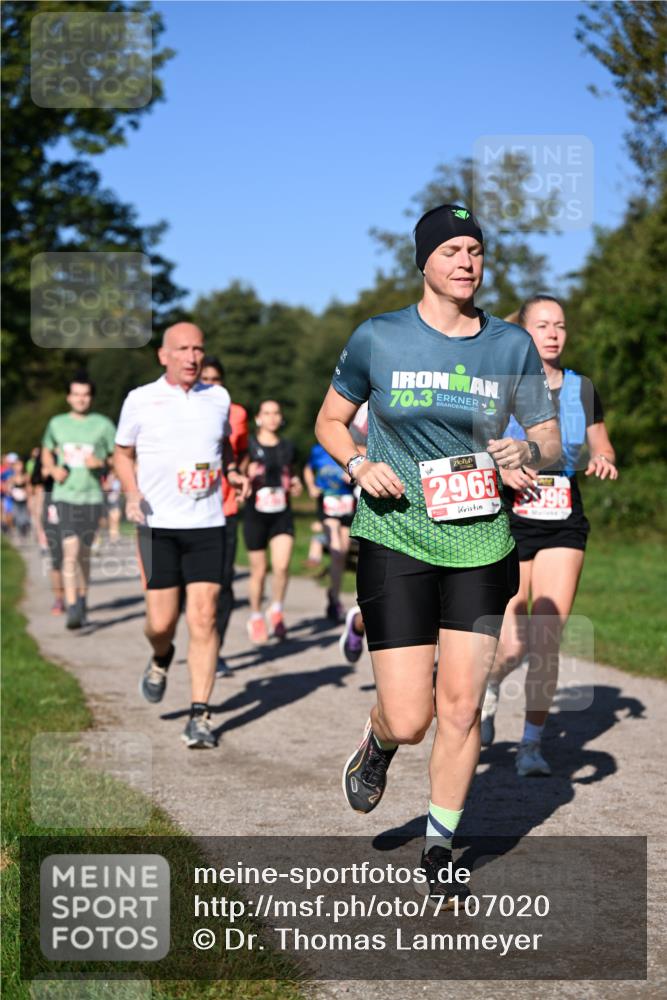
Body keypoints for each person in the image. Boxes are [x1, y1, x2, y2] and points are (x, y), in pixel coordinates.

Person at [315, 204, 560, 905]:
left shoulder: (510, 345)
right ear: (423, 261)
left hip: (481, 540)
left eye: (474, 251)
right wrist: (358, 463)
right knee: (410, 717)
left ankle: (441, 844)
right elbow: (329, 420)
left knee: (460, 707)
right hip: (395, 535)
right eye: (451, 250)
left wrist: (526, 449)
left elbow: (548, 439)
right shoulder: (379, 337)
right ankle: (379, 740)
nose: (465, 262)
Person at [481, 295, 618, 775]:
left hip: (563, 517)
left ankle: (531, 745)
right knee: (512, 644)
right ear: (523, 332)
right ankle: (490, 684)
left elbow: (602, 444)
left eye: (559, 325)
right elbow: (475, 447)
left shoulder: (583, 388)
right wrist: (504, 469)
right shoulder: (502, 387)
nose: (554, 333)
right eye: (542, 325)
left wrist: (604, 459)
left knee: (546, 636)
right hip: (511, 517)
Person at [114, 323, 248, 749]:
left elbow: (223, 447)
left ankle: (200, 714)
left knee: (204, 616)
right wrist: (131, 492)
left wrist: (232, 473)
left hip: (207, 522)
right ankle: (161, 656)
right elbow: (122, 453)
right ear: (164, 355)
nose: (192, 357)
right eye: (183, 349)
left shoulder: (219, 398)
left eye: (198, 349)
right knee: (160, 623)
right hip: (156, 524)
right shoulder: (140, 399)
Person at [41, 375, 116, 629]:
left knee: (84, 553)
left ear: (91, 398)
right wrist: (52, 469)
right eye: (76, 394)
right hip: (65, 496)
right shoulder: (57, 423)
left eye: (85, 394)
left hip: (92, 497)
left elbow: (118, 457)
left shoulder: (103, 425)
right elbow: (46, 450)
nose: (80, 399)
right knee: (70, 551)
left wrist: (101, 462)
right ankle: (72, 607)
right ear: (68, 397)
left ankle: (82, 599)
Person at [199, 356, 249, 678]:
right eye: (205, 379)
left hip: (226, 507)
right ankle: (195, 639)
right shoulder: (182, 410)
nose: (211, 385)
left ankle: (214, 650)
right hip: (190, 510)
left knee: (224, 581)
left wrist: (240, 475)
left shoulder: (237, 414)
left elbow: (242, 452)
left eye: (216, 379)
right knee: (191, 585)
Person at [244, 399, 302, 644]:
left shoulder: (288, 447)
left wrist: (296, 484)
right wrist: (246, 477)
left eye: (276, 413)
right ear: (258, 418)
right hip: (256, 514)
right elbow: (237, 473)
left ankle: (276, 609)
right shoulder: (249, 446)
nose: (272, 417)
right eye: (266, 413)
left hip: (281, 512)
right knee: (259, 570)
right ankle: (256, 615)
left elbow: (292, 475)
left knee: (282, 566)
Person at [304, 442, 356, 622]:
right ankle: (335, 600)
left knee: (343, 551)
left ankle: (333, 592)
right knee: (336, 549)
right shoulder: (318, 450)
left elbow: (362, 470)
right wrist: (311, 486)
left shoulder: (350, 447)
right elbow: (308, 469)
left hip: (347, 503)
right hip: (327, 502)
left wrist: (352, 477)